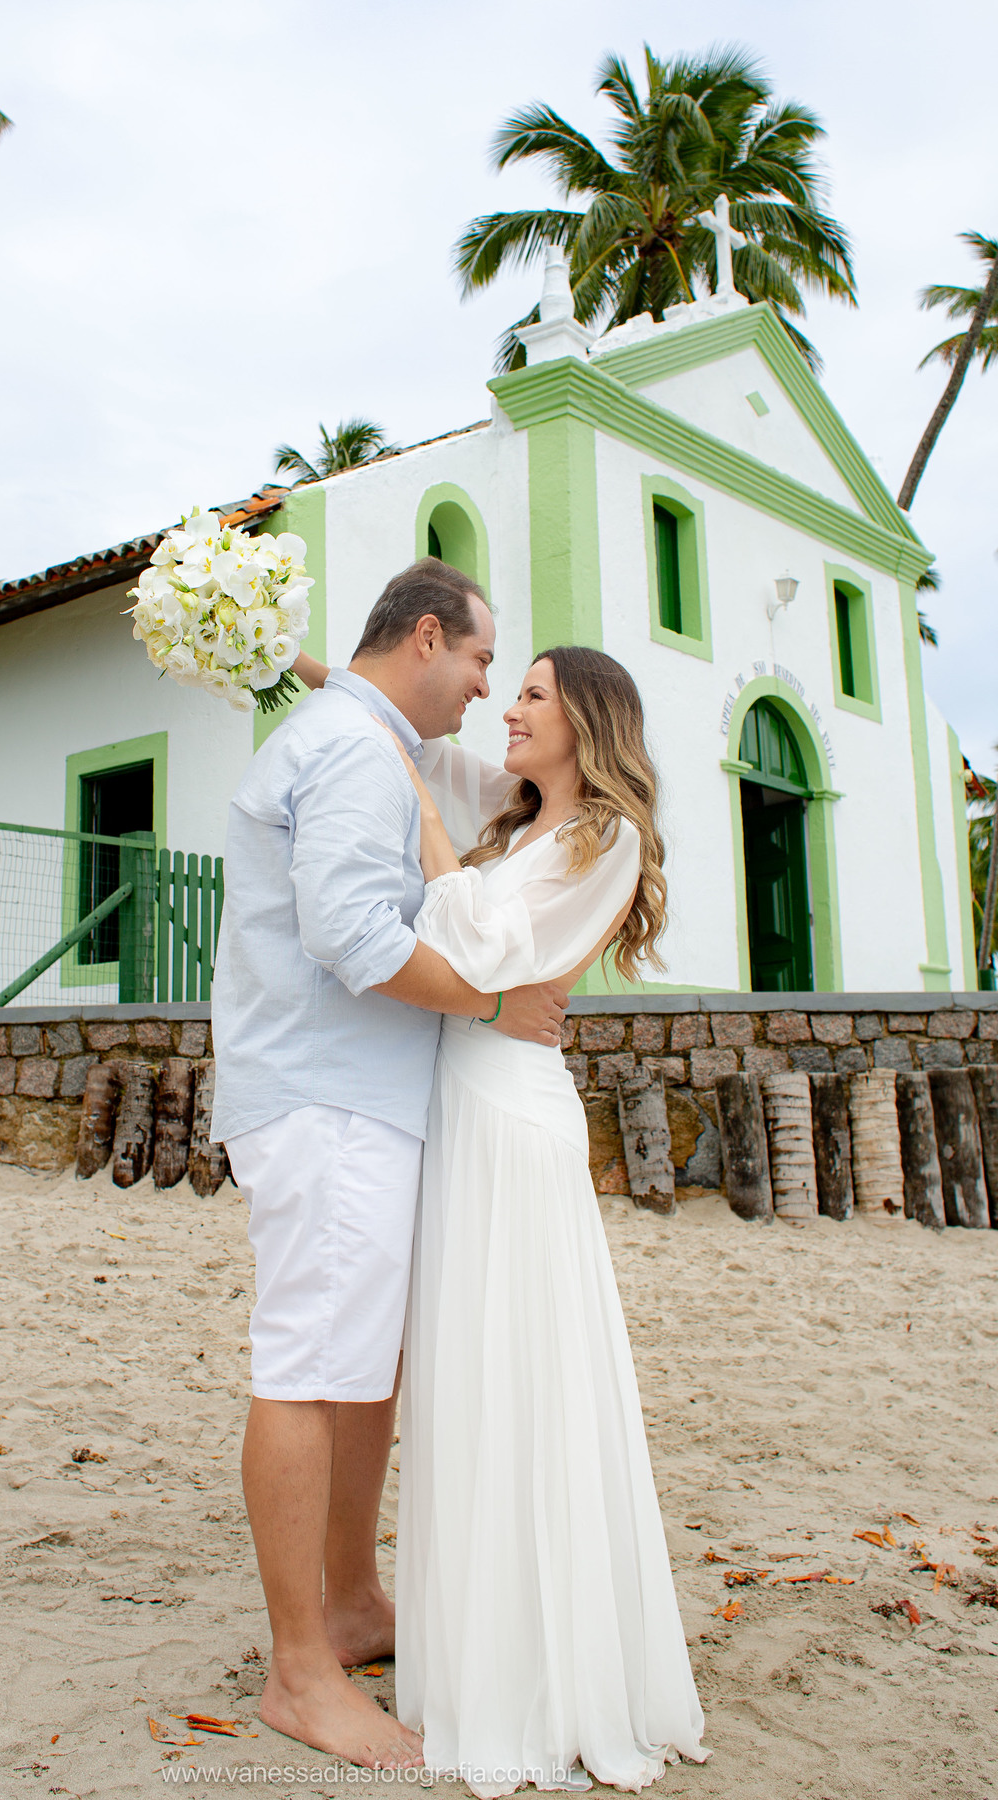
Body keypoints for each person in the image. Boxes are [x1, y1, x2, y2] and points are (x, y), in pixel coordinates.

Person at [210, 558, 569, 1772]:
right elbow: (353, 934)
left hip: (351, 1096)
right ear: (427, 637)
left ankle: (354, 1605)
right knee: (312, 1363)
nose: (483, 688)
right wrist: (492, 999)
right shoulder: (358, 752)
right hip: (326, 1096)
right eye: (479, 660)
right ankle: (301, 1673)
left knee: (361, 1362)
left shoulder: (356, 732)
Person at [379, 644, 709, 1795]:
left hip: (515, 1117)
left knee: (527, 1376)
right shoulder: (515, 821)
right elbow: (394, 718)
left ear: (586, 722)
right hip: (459, 1099)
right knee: (467, 1378)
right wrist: (278, 648)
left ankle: (548, 1674)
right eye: (509, 688)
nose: (508, 710)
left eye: (530, 695)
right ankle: (483, 1649)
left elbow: (471, 934)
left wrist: (421, 814)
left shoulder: (603, 840)